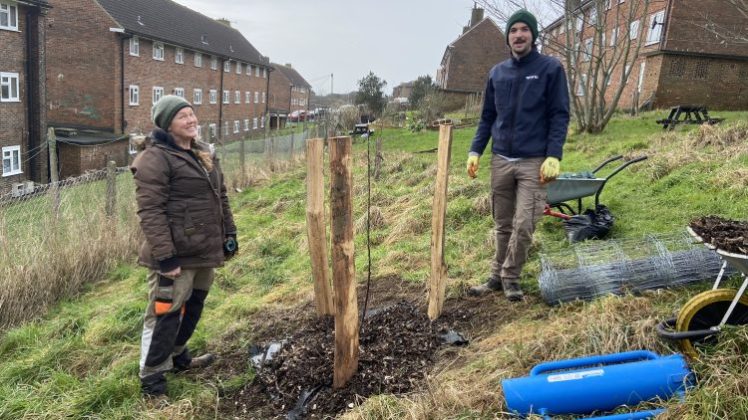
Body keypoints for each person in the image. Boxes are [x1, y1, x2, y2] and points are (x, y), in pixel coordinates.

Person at [131, 95, 238, 396]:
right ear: (168, 125)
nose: (192, 120)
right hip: (176, 254)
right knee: (165, 311)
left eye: (192, 114)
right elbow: (150, 212)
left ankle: (178, 356)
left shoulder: (203, 152)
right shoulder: (154, 158)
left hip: (204, 250)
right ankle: (152, 379)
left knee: (194, 304)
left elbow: (221, 196)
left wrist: (229, 234)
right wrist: (166, 257)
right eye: (183, 117)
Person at [466, 10, 570, 301]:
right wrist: (475, 151)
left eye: (525, 29)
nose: (519, 35)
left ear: (533, 35)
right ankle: (495, 278)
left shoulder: (550, 69)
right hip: (500, 160)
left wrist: (553, 155)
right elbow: (487, 117)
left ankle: (511, 277)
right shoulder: (497, 73)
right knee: (502, 225)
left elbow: (559, 114)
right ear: (508, 37)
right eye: (514, 30)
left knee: (524, 224)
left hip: (533, 162)